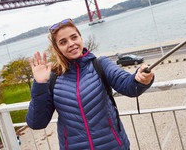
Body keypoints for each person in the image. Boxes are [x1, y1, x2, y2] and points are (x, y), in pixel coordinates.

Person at [25, 18, 154, 150]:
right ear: (57, 48)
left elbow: (130, 87)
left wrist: (141, 78)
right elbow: (36, 123)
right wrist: (39, 84)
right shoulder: (53, 77)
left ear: (80, 38)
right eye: (63, 42)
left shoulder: (100, 64)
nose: (71, 44)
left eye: (74, 37)